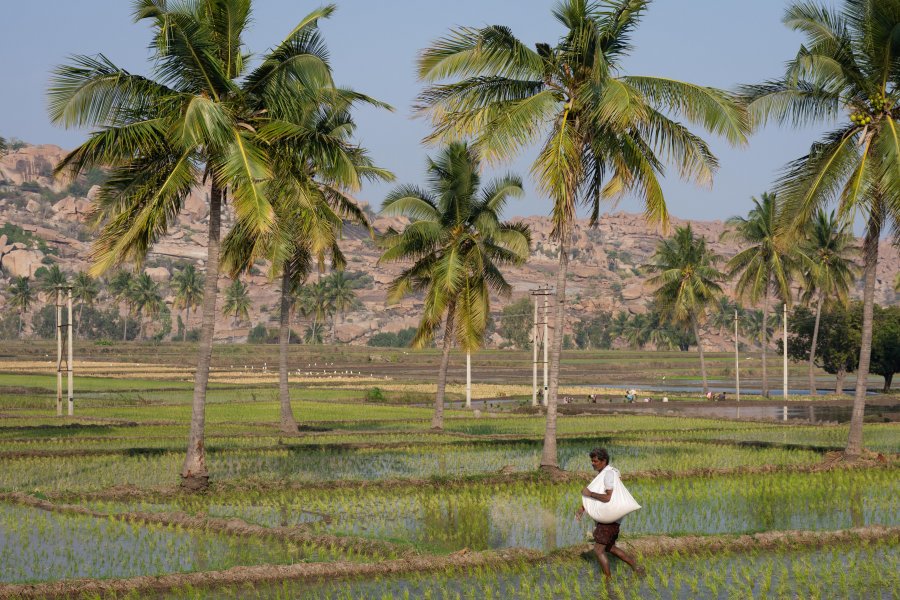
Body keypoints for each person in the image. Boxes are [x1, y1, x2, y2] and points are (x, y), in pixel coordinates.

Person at [575, 448, 644, 578]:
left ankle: (608, 580)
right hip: (611, 520)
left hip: (609, 520)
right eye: (592, 461)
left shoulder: (608, 475)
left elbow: (608, 498)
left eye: (595, 461)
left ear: (603, 461)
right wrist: (582, 509)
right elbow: (598, 493)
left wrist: (590, 494)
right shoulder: (607, 473)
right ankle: (637, 567)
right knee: (609, 548)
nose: (593, 463)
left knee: (598, 549)